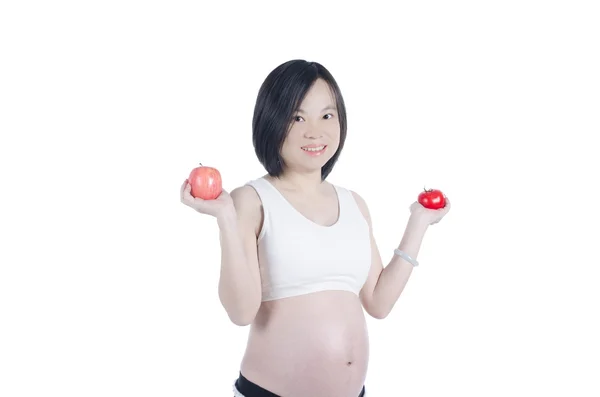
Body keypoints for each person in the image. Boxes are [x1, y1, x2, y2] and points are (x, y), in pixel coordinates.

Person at [180, 59, 451, 397]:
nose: (315, 131)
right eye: (297, 117)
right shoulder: (251, 200)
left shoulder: (355, 203)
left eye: (327, 115)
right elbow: (240, 312)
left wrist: (419, 222)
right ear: (272, 121)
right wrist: (225, 219)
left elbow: (378, 302)